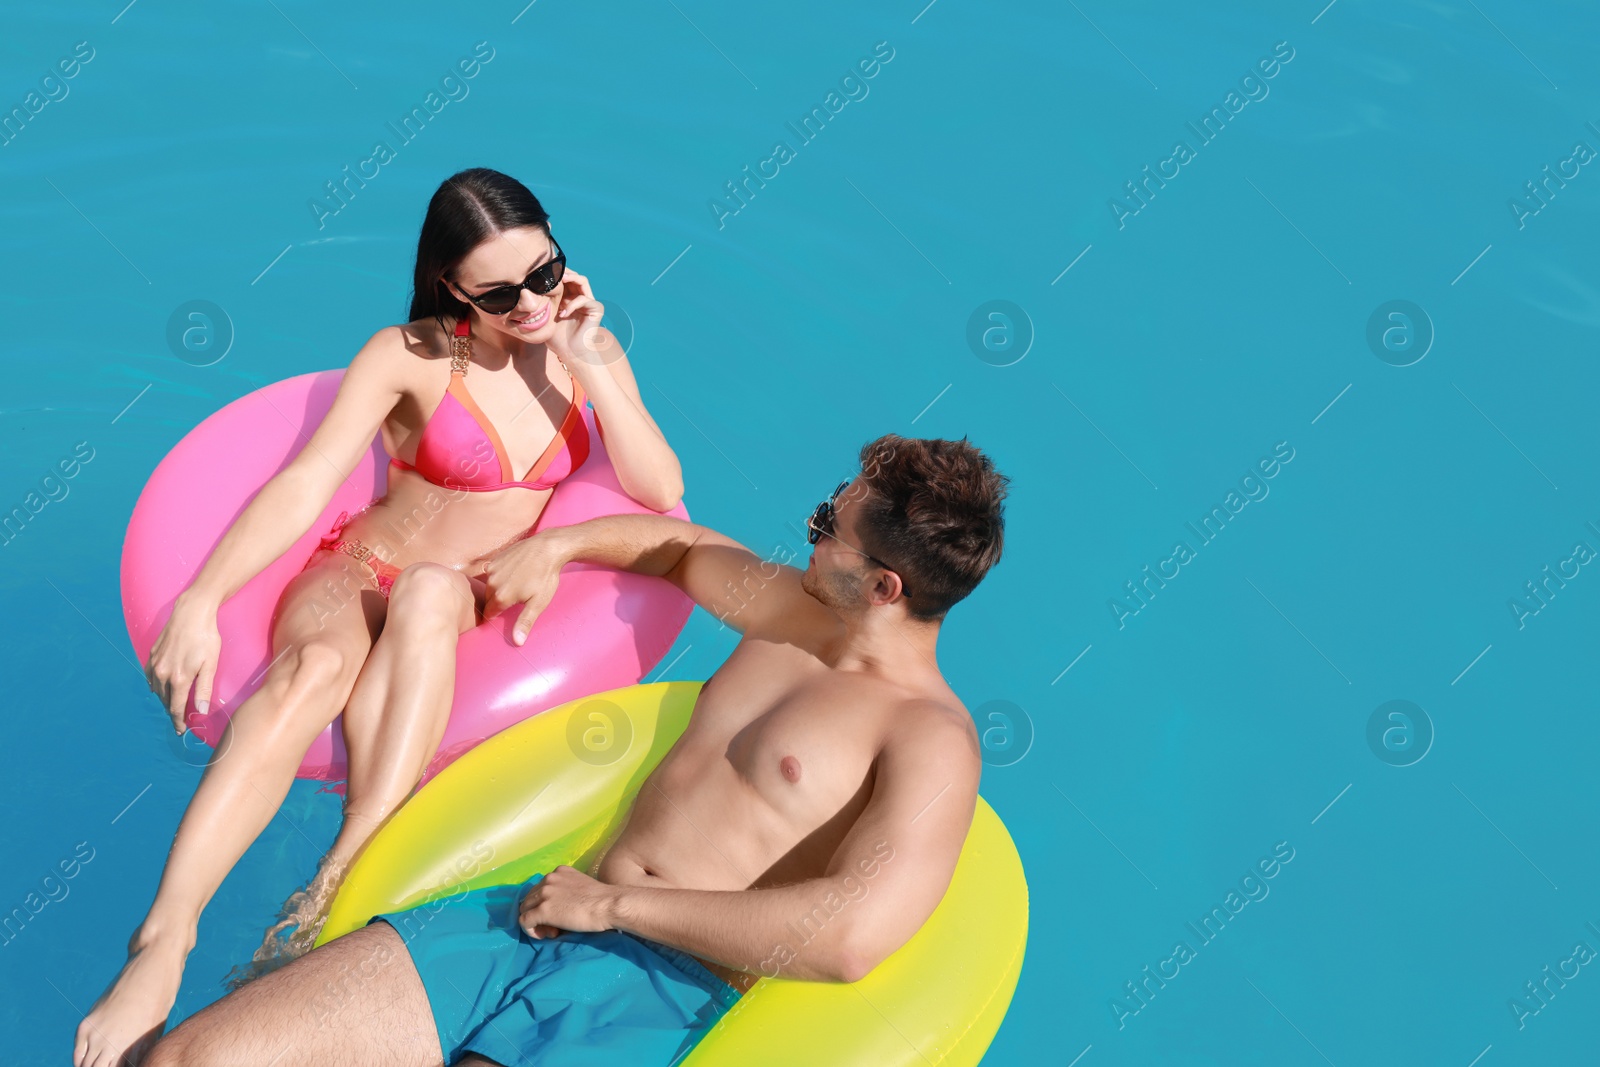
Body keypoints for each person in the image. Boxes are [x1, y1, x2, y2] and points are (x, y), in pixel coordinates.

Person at [133, 434, 1009, 1067]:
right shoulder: (792, 613)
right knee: (193, 1057)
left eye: (829, 522)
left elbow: (850, 935)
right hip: (536, 914)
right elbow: (681, 550)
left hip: (654, 985)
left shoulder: (929, 739)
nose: (812, 531)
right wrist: (557, 545)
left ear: (884, 586)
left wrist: (617, 909)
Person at [74, 168, 683, 1067]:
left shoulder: (582, 351)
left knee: (438, 588)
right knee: (316, 671)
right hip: (358, 572)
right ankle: (163, 942)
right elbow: (308, 480)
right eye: (501, 292)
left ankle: (338, 872)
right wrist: (203, 596)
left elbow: (661, 488)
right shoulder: (410, 354)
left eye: (546, 273)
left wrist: (595, 359)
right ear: (450, 288)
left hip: (455, 596)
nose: (532, 303)